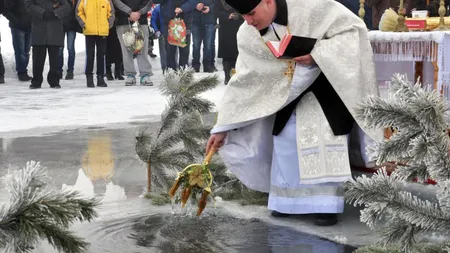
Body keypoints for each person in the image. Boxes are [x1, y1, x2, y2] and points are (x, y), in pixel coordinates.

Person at [206, 0, 382, 226]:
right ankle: (287, 202)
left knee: (322, 134)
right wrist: (223, 126)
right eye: (244, 16)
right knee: (287, 138)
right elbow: (245, 80)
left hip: (325, 90)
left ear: (268, 1)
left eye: (251, 13)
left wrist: (317, 55)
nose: (248, 21)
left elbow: (354, 34)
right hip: (284, 99)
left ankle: (325, 206)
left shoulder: (313, 6)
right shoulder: (247, 33)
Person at [25, 0, 71, 89]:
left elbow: (67, 7)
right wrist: (42, 12)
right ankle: (36, 81)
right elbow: (29, 5)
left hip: (54, 27)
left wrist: (55, 13)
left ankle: (54, 81)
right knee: (38, 59)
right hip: (39, 27)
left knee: (55, 59)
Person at [113, 0, 154, 86]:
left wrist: (139, 13)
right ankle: (130, 74)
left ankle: (145, 74)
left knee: (142, 49)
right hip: (123, 21)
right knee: (126, 51)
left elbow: (148, 2)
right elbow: (116, 1)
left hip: (141, 20)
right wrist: (129, 12)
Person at [76, 0, 114, 88]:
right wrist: (84, 24)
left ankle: (101, 77)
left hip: (102, 31)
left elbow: (111, 12)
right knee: (90, 55)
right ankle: (89, 77)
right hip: (89, 31)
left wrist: (107, 24)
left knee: (101, 55)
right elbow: (79, 12)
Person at [159, 0, 196, 70]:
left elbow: (194, 1)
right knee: (169, 50)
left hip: (185, 21)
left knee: (184, 50)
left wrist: (182, 8)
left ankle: (183, 74)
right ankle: (171, 74)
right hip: (168, 21)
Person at [3, 0, 33, 82]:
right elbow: (5, 9)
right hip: (17, 27)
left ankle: (23, 70)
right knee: (20, 51)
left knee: (27, 51)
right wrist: (15, 21)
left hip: (30, 26)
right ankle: (21, 72)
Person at [215, 0, 243, 84]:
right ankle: (227, 76)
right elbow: (216, 12)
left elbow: (248, 9)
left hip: (239, 26)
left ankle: (237, 75)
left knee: (238, 52)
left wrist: (238, 16)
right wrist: (228, 15)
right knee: (226, 53)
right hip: (225, 27)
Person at [59, 0, 81, 80]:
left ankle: (70, 71)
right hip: (61, 24)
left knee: (70, 48)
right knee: (60, 49)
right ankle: (59, 70)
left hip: (72, 25)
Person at [192, 0, 216, 73]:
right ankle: (195, 65)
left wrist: (210, 8)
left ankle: (207, 65)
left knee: (208, 45)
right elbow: (188, 2)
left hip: (209, 21)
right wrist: (196, 5)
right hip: (196, 21)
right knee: (196, 45)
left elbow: (216, 3)